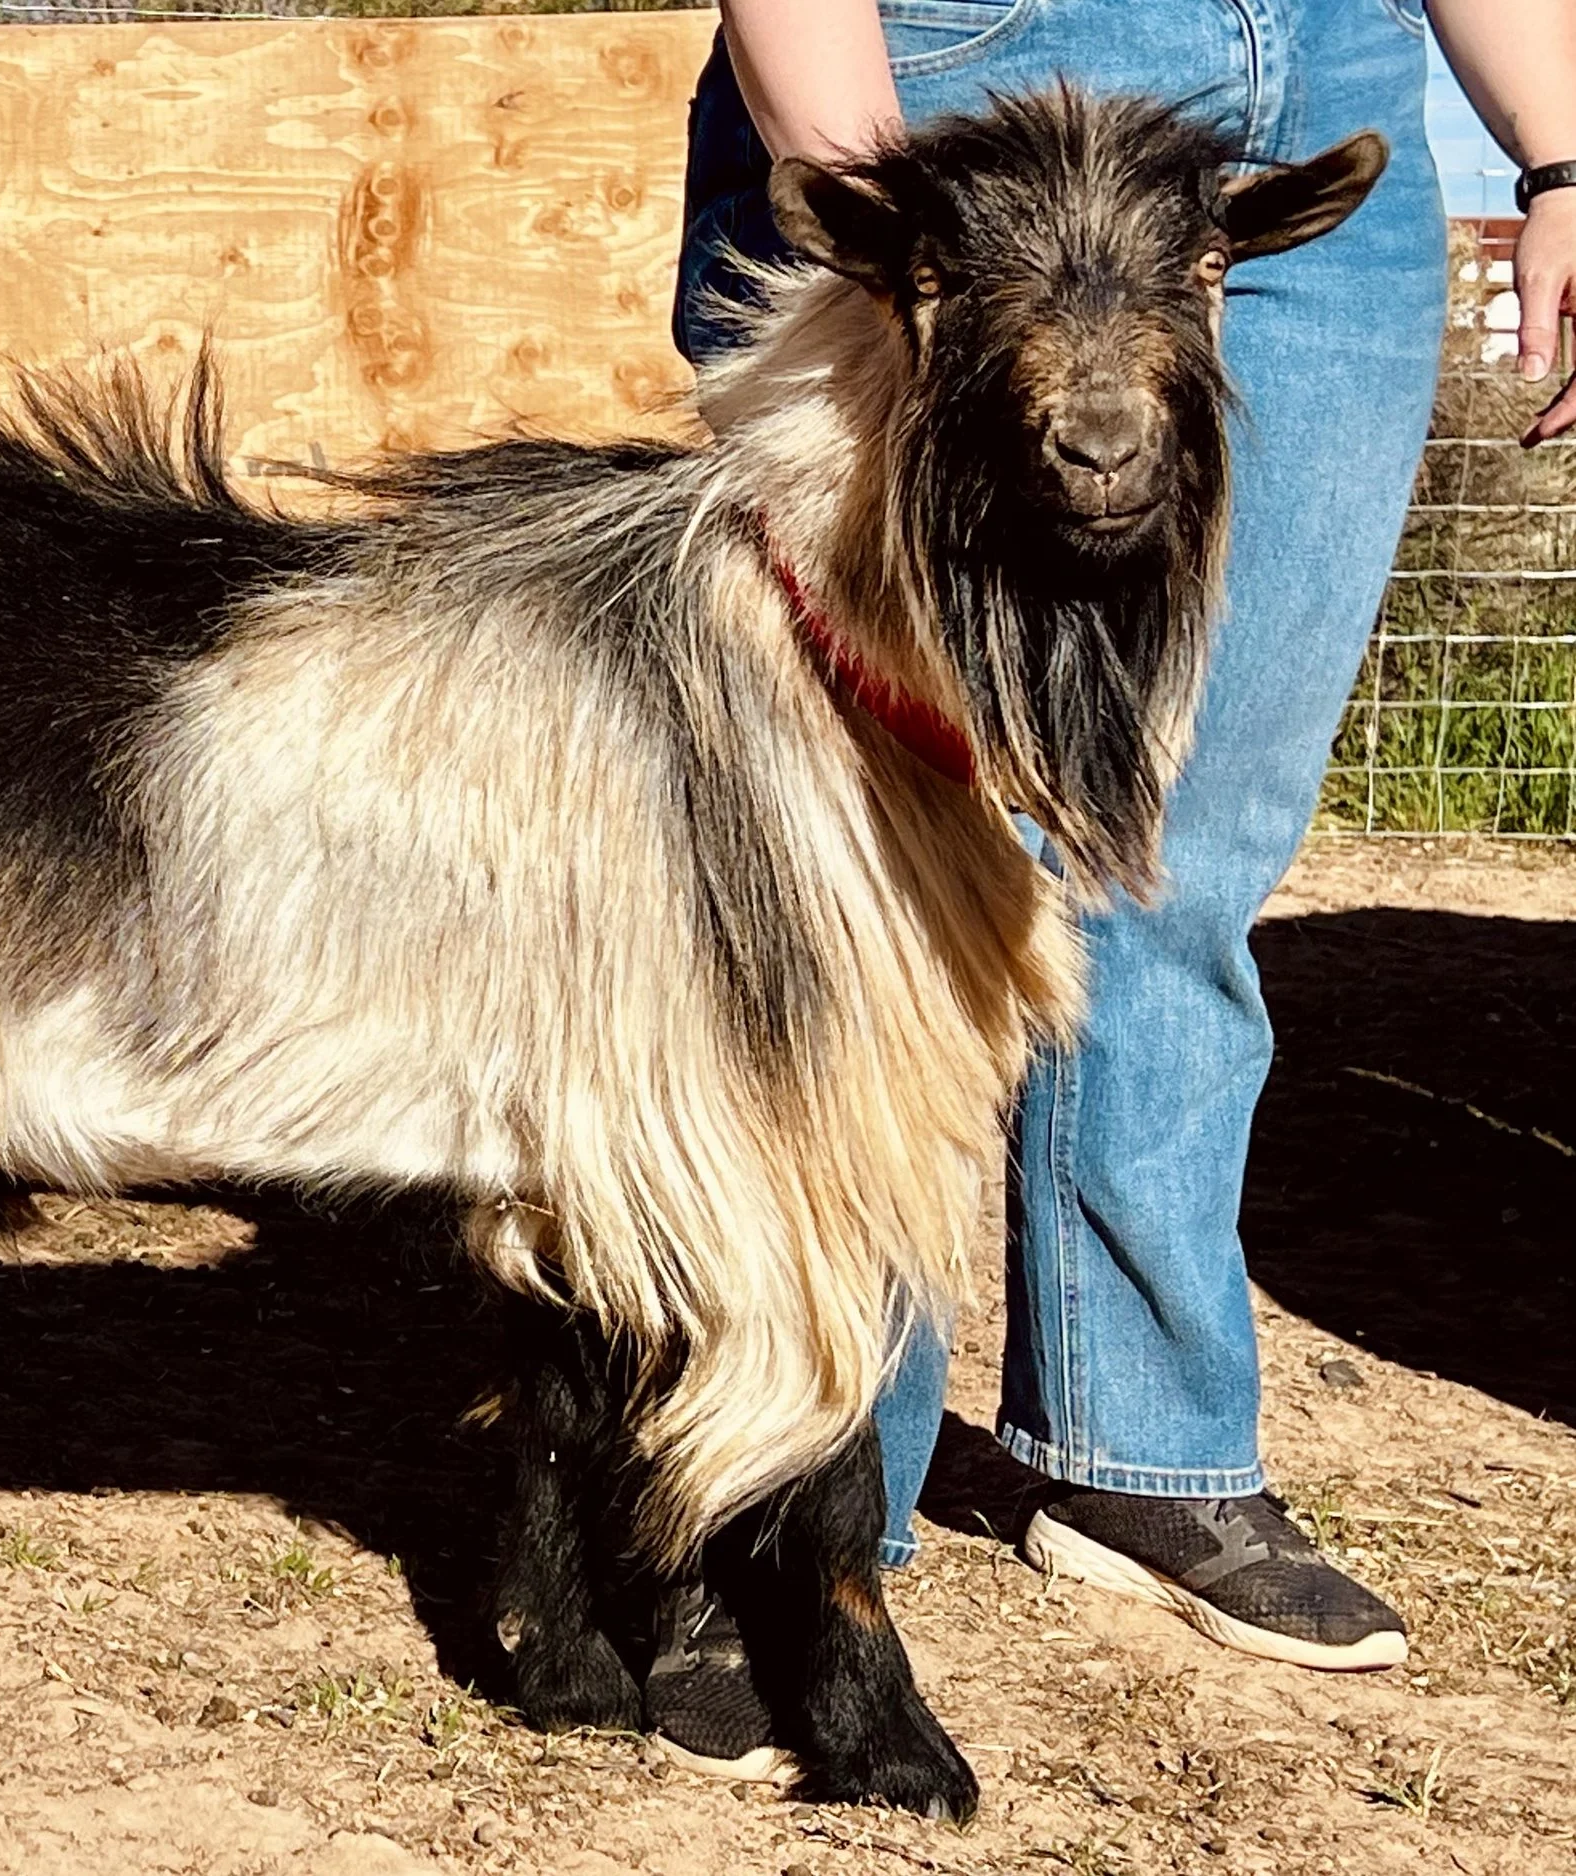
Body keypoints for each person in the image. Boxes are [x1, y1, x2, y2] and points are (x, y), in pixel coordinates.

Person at [657, 0, 1576, 1722]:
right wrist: (891, 218)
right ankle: (791, 1500)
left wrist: (1563, 144)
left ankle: (1137, 1441)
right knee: (851, 858)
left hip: (1318, 114)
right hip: (949, 109)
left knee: (1191, 836)